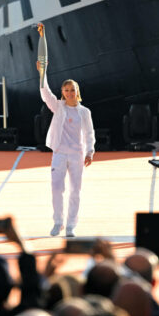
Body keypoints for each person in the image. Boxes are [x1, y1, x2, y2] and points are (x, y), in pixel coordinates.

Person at [36, 26, 95, 238]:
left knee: (75, 192)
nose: (69, 93)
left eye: (72, 90)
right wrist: (42, 73)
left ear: (77, 92)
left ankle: (71, 225)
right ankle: (58, 222)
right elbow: (45, 93)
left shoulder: (84, 111)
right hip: (59, 152)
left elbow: (89, 134)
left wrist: (90, 152)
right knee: (56, 188)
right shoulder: (58, 106)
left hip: (77, 154)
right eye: (66, 90)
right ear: (63, 93)